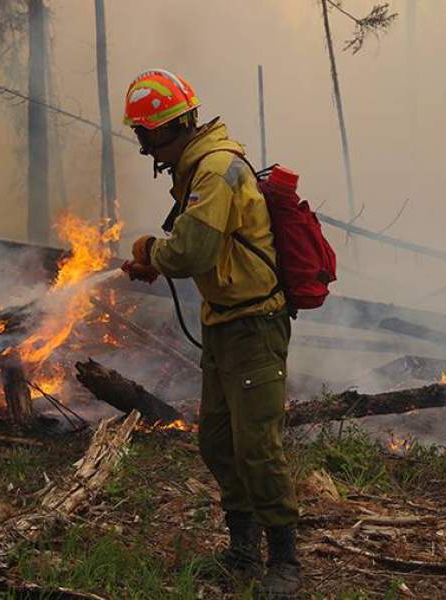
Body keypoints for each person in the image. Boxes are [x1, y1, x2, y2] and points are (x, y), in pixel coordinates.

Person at [120, 69, 300, 597]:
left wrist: (151, 252)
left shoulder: (216, 170)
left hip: (253, 325)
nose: (142, 144)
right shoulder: (199, 169)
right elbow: (202, 245)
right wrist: (159, 257)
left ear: (164, 129)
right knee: (218, 442)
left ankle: (285, 562)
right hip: (224, 323)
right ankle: (243, 550)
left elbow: (191, 251)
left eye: (144, 133)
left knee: (257, 447)